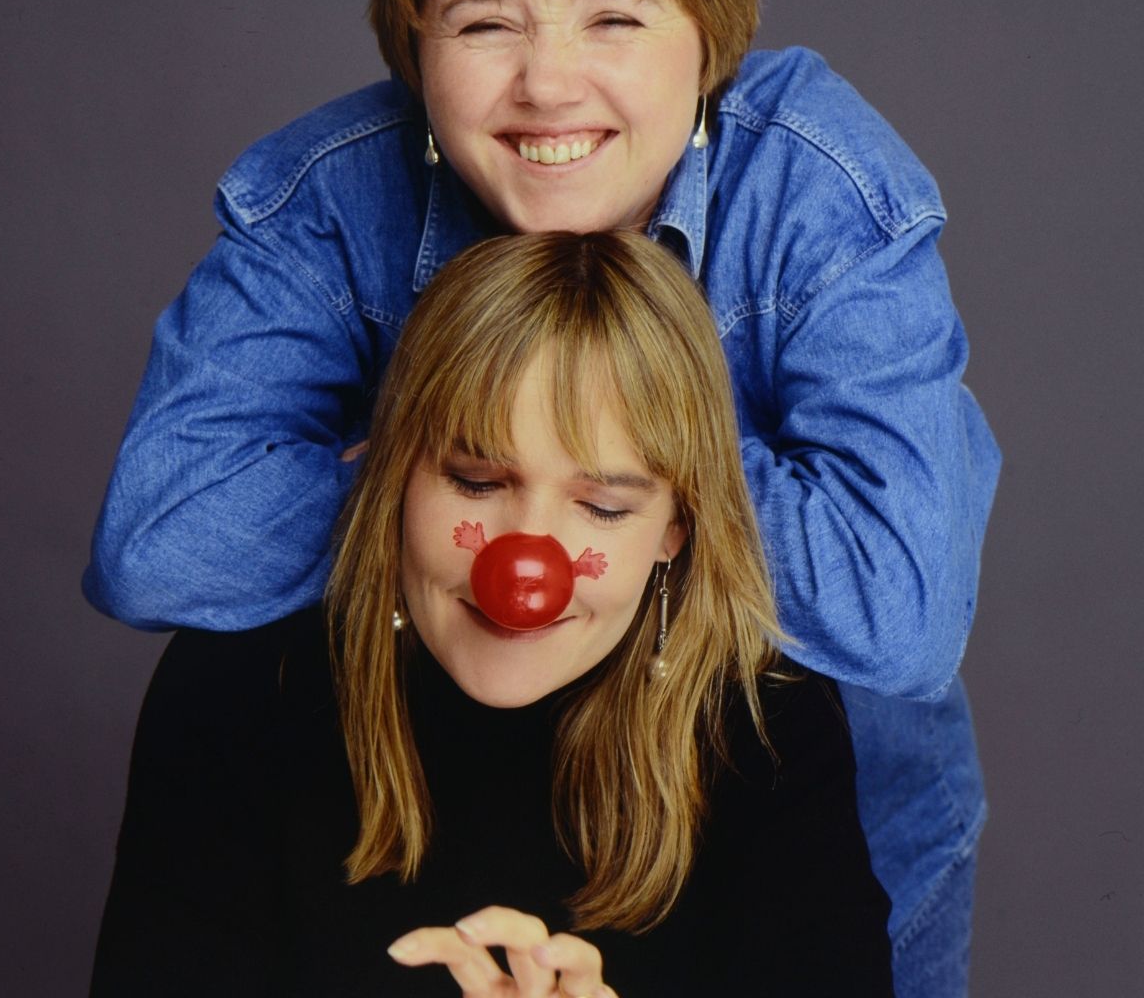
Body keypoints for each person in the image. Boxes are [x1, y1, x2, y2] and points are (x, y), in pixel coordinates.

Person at [82, 0, 996, 991]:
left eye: (614, 18)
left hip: (791, 773)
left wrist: (628, 441)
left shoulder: (823, 187)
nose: (548, 84)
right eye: (484, 24)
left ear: (709, 41)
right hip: (442, 751)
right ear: (415, 49)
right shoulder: (331, 191)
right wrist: (443, 445)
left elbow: (899, 608)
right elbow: (159, 546)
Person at [92, 231, 893, 996]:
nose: (523, 569)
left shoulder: (768, 727)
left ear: (674, 529)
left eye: (604, 506)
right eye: (476, 482)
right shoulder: (239, 687)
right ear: (394, 474)